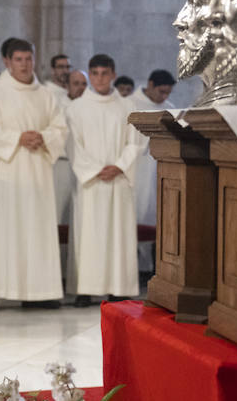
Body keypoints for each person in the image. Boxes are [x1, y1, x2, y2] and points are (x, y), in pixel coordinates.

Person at [0, 37, 67, 311]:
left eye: (29, 59)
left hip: (37, 172)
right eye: (18, 60)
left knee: (37, 230)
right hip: (8, 173)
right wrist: (17, 138)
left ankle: (39, 292)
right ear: (6, 62)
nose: (25, 65)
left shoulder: (46, 94)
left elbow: (60, 128)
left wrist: (44, 137)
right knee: (6, 230)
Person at [65, 54, 144, 305]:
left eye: (104, 73)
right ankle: (85, 289)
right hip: (91, 182)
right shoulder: (75, 108)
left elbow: (137, 141)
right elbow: (72, 145)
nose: (100, 78)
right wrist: (95, 169)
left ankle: (119, 288)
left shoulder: (127, 107)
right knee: (89, 235)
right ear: (90, 75)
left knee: (118, 235)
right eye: (95, 73)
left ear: (113, 74)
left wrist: (120, 166)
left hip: (118, 181)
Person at [123, 70, 177, 276]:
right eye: (161, 92)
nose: (164, 97)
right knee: (134, 216)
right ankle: (133, 269)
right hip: (135, 167)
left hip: (158, 170)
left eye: (168, 93)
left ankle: (150, 269)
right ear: (151, 84)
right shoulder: (130, 104)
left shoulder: (169, 109)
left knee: (155, 218)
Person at [42, 54, 73, 252]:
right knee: (54, 214)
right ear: (53, 70)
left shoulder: (75, 95)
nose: (64, 71)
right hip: (55, 162)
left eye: (68, 67)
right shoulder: (45, 93)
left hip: (76, 162)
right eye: (61, 67)